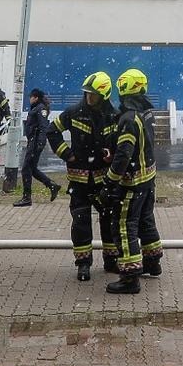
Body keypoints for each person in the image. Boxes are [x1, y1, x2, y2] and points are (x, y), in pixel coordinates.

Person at [47, 72, 120, 281]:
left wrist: (111, 154)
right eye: (87, 94)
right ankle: (83, 264)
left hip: (103, 181)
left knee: (108, 221)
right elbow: (52, 131)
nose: (89, 98)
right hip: (79, 181)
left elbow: (117, 142)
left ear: (104, 95)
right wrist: (66, 154)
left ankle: (111, 260)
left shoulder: (113, 116)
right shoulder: (74, 112)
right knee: (81, 222)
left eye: (94, 95)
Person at [104, 68, 162, 294]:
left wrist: (110, 181)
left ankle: (130, 277)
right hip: (148, 180)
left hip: (132, 184)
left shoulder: (129, 118)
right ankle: (152, 262)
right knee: (146, 222)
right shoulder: (146, 112)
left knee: (125, 226)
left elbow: (123, 154)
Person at [12, 88, 61, 207]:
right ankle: (52, 185)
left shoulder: (41, 109)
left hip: (35, 142)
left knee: (26, 169)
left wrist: (40, 142)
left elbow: (44, 127)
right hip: (32, 141)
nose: (30, 99)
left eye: (31, 97)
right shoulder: (36, 108)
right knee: (32, 169)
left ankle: (27, 197)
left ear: (36, 98)